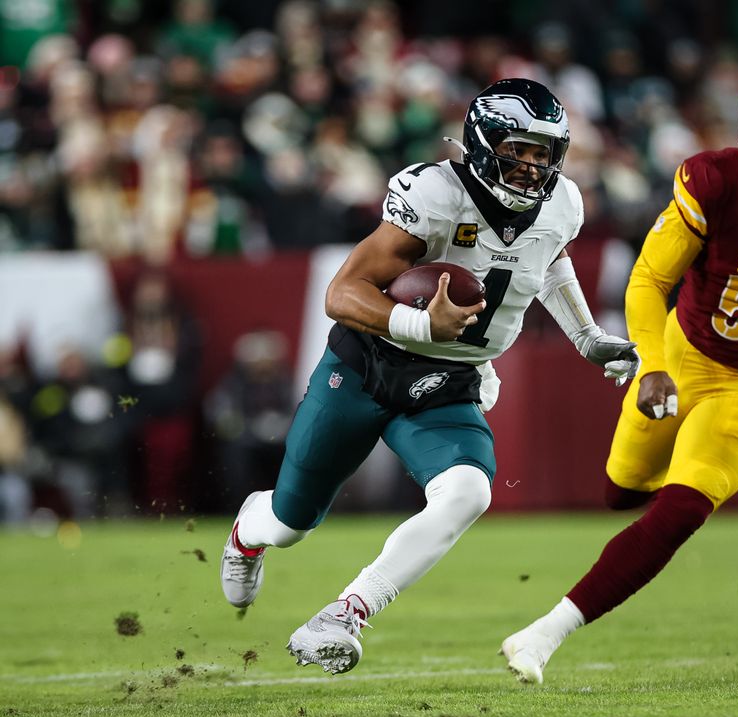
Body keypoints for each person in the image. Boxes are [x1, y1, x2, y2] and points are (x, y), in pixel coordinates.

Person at [218, 78, 639, 675]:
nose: (531, 166)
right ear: (483, 144)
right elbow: (342, 293)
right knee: (290, 523)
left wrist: (586, 336)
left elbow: (548, 258)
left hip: (451, 378)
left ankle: (346, 613)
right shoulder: (437, 194)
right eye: (518, 150)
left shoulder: (562, 203)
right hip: (367, 365)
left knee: (468, 491)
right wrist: (421, 324)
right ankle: (248, 531)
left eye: (543, 153)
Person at [501, 65, 738, 683]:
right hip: (683, 358)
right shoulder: (714, 182)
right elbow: (648, 280)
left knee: (680, 512)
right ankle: (649, 488)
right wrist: (653, 366)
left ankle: (545, 633)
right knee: (621, 490)